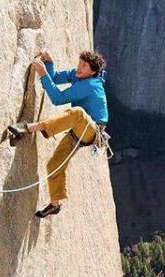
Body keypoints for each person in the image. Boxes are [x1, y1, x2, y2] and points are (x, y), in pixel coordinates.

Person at [8, 50, 109, 218]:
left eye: (84, 66)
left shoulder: (90, 85)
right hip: (78, 131)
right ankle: (55, 204)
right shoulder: (78, 75)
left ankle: (29, 128)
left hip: (91, 131)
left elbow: (57, 99)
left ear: (93, 71)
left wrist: (42, 75)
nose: (79, 67)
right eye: (80, 63)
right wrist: (49, 64)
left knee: (77, 113)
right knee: (54, 164)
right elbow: (54, 78)